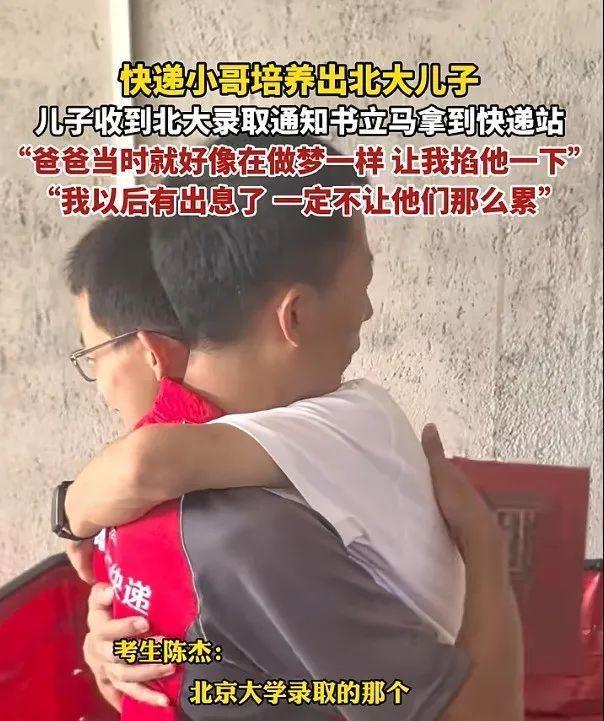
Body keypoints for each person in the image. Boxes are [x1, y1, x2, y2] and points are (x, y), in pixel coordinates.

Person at [58, 139, 523, 721]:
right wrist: (485, 546)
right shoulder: (252, 530)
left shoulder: (139, 502)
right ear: (295, 315)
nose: (367, 311)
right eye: (363, 283)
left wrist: (73, 520)